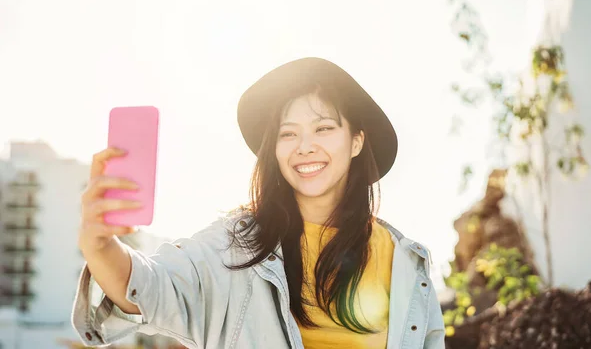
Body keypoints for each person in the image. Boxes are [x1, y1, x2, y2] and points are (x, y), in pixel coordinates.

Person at [72, 57, 445, 349]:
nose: (305, 146)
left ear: (357, 142)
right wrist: (100, 245)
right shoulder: (233, 247)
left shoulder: (406, 261)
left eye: (324, 128)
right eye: (288, 133)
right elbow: (149, 289)